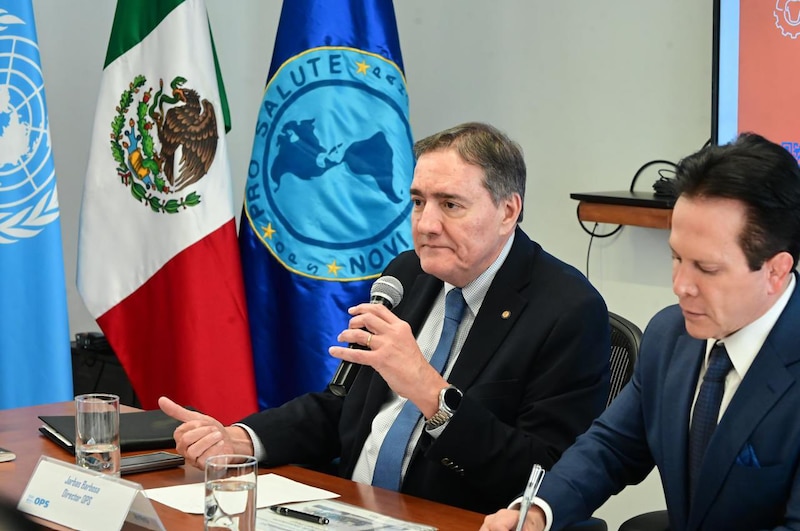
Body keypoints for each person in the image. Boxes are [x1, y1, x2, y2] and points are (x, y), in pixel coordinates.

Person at [159, 122, 610, 514]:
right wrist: (242, 438)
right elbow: (341, 405)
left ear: (508, 211)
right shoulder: (409, 273)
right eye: (418, 202)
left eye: (450, 205)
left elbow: (543, 475)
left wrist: (431, 393)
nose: (426, 224)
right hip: (349, 507)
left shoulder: (567, 311)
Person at [481, 132, 800, 531]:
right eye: (676, 258)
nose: (681, 285)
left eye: (707, 269)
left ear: (775, 270)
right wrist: (538, 513)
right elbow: (610, 448)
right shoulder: (670, 335)